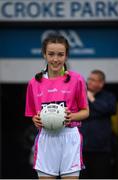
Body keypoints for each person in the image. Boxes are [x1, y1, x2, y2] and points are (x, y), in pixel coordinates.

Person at [25, 34, 89, 179]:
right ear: (44, 55)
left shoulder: (76, 79)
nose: (55, 59)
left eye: (60, 55)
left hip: (69, 137)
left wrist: (71, 116)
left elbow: (85, 112)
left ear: (66, 56)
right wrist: (35, 120)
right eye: (51, 54)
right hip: (46, 138)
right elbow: (33, 115)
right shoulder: (33, 83)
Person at [79, 70, 116, 179]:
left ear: (101, 83)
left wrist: (91, 99)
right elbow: (80, 113)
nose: (89, 82)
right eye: (89, 79)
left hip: (102, 150)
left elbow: (110, 109)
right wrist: (99, 112)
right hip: (82, 149)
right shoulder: (80, 96)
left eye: (93, 80)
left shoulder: (109, 96)